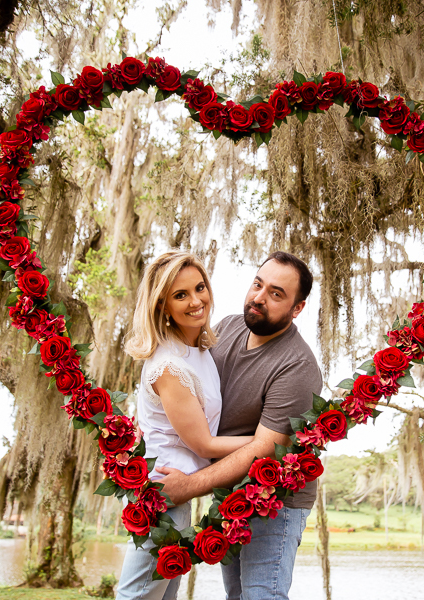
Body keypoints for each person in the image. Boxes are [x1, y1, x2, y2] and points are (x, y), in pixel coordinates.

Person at [157, 251, 324, 600]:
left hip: (276, 497)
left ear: (297, 309)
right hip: (230, 492)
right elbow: (179, 388)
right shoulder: (228, 328)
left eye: (276, 294)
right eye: (258, 284)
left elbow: (265, 448)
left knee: (262, 595)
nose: (259, 298)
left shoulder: (297, 366)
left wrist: (190, 486)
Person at [116, 251, 253, 600]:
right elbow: (203, 445)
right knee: (139, 595)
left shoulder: (199, 350)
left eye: (200, 287)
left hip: (180, 491)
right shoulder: (169, 365)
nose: (196, 301)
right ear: (163, 305)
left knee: (163, 596)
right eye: (181, 295)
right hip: (162, 495)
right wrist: (266, 440)